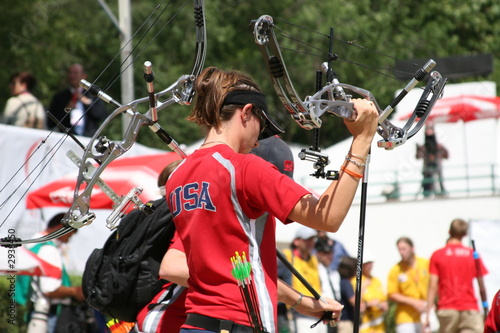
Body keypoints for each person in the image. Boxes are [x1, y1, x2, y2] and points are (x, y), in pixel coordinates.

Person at [162, 66, 379, 333]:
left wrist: (300, 301)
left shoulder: (178, 175)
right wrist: (362, 139)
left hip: (194, 325)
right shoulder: (245, 168)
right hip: (241, 323)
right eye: (261, 127)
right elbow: (327, 217)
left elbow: (228, 267)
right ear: (246, 112)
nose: (257, 143)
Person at [15, 213, 84, 333]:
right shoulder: (48, 249)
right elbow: (50, 289)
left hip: (36, 311)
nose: (67, 241)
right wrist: (75, 291)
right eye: (69, 235)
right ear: (60, 228)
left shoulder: (33, 244)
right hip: (49, 316)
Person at [425, 218, 488, 333]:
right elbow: (481, 286)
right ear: (464, 234)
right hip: (470, 308)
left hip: (447, 308)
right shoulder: (472, 254)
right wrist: (485, 308)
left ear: (449, 232)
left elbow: (433, 286)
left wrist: (428, 314)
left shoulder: (438, 255)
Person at [283, 226, 326, 333]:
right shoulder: (287, 256)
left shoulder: (314, 259)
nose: (311, 242)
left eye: (312, 239)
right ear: (296, 241)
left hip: (318, 311)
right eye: (307, 239)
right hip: (298, 313)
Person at [48, 63, 108, 136]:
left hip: (88, 137)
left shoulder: (92, 95)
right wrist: (67, 109)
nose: (72, 76)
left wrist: (88, 103)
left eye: (75, 73)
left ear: (83, 76)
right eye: (70, 73)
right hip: (67, 138)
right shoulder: (60, 97)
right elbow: (51, 122)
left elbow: (102, 116)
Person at [315, 237, 359, 333]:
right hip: (321, 311)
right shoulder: (316, 270)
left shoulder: (335, 273)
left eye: (331, 252)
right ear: (318, 253)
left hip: (334, 314)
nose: (329, 256)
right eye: (326, 253)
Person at [387, 237, 430, 333]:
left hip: (426, 314)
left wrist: (432, 302)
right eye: (399, 249)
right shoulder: (395, 270)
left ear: (412, 248)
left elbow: (435, 284)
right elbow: (391, 294)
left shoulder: (425, 263)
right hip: (406, 318)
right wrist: (413, 302)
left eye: (404, 249)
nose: (401, 252)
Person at [353, 252, 389, 333]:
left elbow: (386, 305)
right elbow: (355, 305)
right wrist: (369, 304)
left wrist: (381, 305)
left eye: (370, 263)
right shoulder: (356, 281)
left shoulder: (377, 281)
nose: (369, 266)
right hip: (364, 328)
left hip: (379, 328)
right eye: (366, 263)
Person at [416, 125, 448, 197]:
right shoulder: (424, 147)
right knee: (427, 183)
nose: (429, 132)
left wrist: (437, 154)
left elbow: (446, 155)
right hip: (427, 169)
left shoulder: (438, 146)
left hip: (436, 167)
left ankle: (441, 193)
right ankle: (427, 194)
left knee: (439, 181)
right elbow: (418, 157)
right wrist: (418, 150)